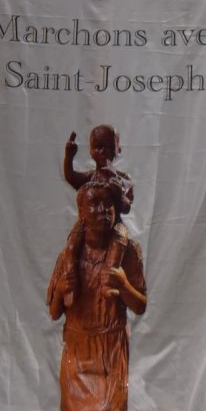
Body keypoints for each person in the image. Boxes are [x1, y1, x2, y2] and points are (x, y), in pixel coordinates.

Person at [47, 182, 147, 411]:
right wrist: (62, 287)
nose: (102, 212)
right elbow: (53, 310)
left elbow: (141, 304)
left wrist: (123, 284)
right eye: (94, 205)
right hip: (78, 343)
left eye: (108, 206)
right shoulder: (69, 256)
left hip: (109, 343)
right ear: (81, 212)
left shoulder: (127, 251)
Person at [61, 126, 134, 308]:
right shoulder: (89, 177)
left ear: (117, 149)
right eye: (98, 147)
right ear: (91, 151)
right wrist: (69, 157)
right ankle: (71, 281)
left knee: (120, 239)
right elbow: (70, 177)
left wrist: (119, 194)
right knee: (72, 243)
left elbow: (126, 208)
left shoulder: (123, 179)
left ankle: (109, 279)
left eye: (108, 147)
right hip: (89, 227)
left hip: (113, 226)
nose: (103, 151)